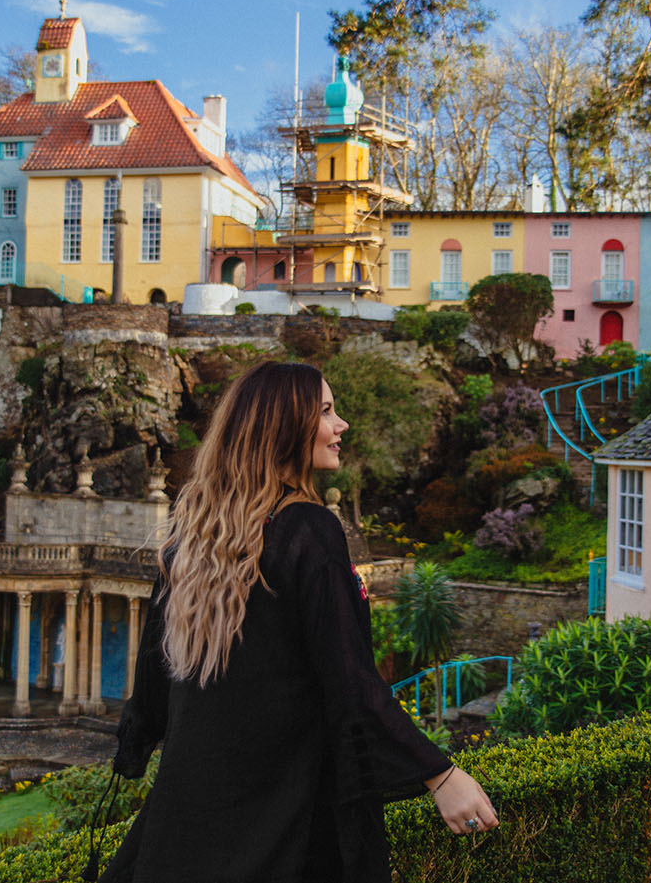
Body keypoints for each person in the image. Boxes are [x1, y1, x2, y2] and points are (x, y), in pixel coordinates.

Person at [99, 361, 496, 883]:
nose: (341, 425)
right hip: (280, 815)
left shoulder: (192, 536)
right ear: (284, 428)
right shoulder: (308, 530)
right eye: (326, 411)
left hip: (190, 816)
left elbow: (155, 679)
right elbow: (351, 679)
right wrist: (441, 775)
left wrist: (134, 747)